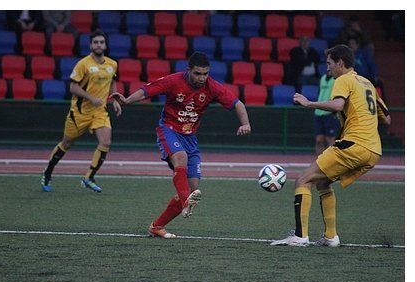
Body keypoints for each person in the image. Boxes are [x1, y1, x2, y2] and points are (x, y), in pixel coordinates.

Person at [111, 51, 251, 238]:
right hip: (168, 130)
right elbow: (147, 90)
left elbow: (238, 104)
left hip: (190, 138)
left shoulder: (212, 87)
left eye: (205, 74)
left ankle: (156, 226)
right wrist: (127, 100)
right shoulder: (174, 81)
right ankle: (186, 202)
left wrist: (246, 123)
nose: (202, 78)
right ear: (188, 71)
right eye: (197, 73)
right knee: (181, 160)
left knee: (193, 187)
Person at [271, 44, 391, 247]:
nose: (327, 69)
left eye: (329, 64)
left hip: (354, 144)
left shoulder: (344, 79)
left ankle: (300, 236)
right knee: (323, 183)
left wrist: (309, 103)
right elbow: (387, 120)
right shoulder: (367, 83)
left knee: (302, 180)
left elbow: (337, 105)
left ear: (341, 63)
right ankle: (330, 237)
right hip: (373, 150)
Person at [41, 29, 122, 193]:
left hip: (100, 112)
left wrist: (115, 100)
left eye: (101, 42)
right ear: (91, 45)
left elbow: (113, 81)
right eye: (95, 42)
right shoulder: (83, 64)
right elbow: (72, 87)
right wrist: (91, 97)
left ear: (105, 45)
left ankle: (88, 177)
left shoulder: (112, 64)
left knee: (106, 142)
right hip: (79, 113)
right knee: (66, 143)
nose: (99, 45)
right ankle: (47, 173)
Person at [314, 73, 339, 156]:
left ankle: (331, 163)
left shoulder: (336, 80)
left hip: (329, 113)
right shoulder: (322, 78)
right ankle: (318, 163)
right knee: (319, 140)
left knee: (330, 139)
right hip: (319, 113)